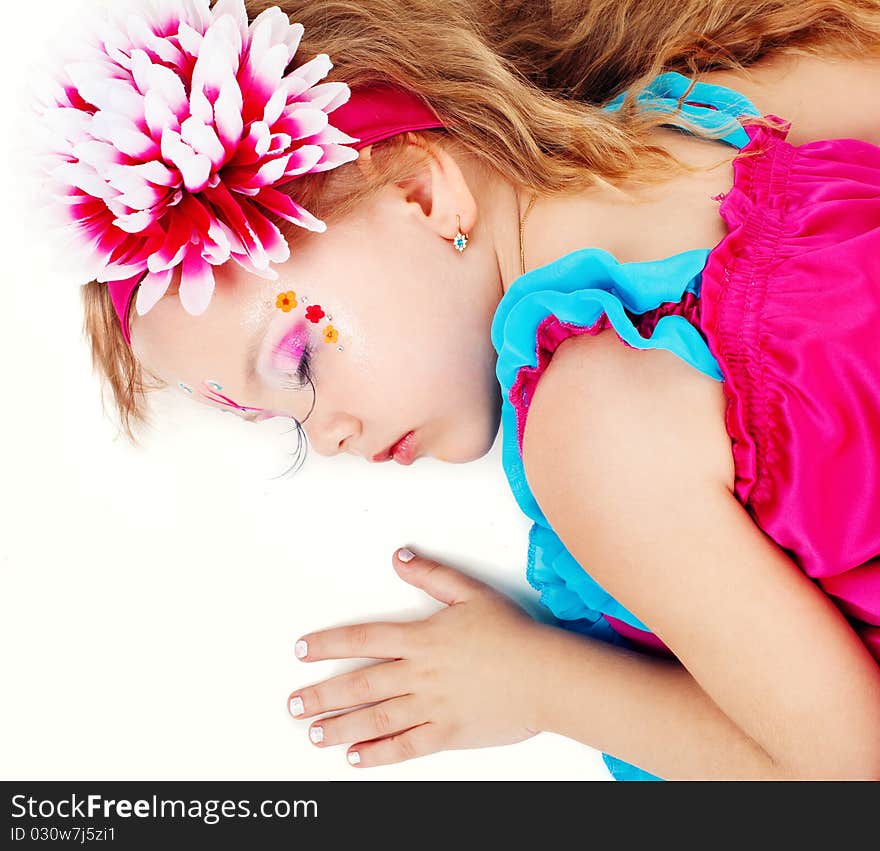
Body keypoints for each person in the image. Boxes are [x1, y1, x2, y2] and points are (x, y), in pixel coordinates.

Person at [35, 0, 880, 779]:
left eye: (297, 362)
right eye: (281, 421)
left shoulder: (594, 430)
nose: (325, 436)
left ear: (421, 190)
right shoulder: (730, 100)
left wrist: (542, 685)